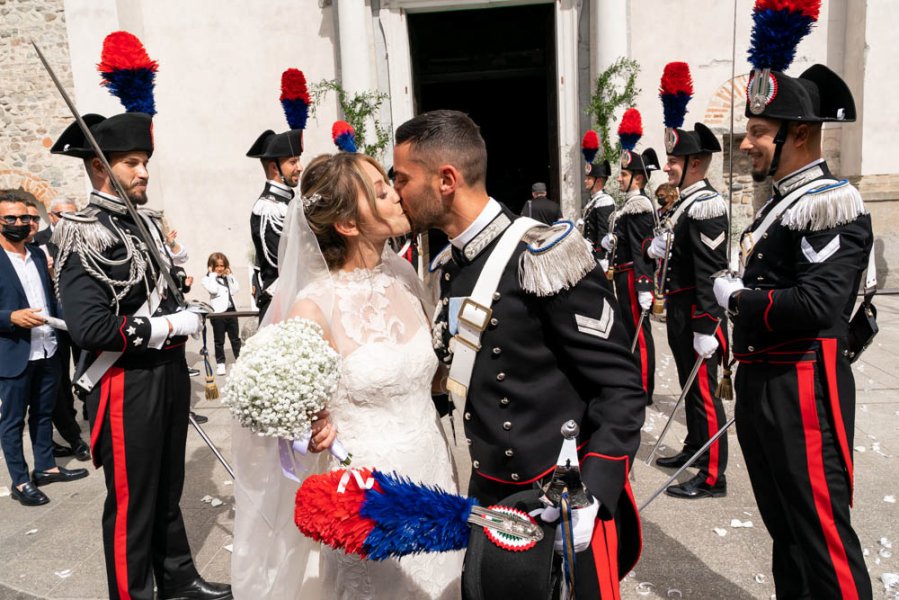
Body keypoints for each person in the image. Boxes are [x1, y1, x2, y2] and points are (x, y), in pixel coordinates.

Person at [393, 109, 646, 598]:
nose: (397, 190)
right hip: (491, 495)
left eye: (403, 178)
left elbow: (619, 385)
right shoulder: (450, 265)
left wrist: (592, 492)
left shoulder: (543, 256)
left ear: (445, 180)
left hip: (560, 494)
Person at [232, 152, 463, 600]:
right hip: (369, 490)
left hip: (434, 468)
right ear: (348, 225)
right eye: (380, 192)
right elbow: (287, 415)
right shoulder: (313, 306)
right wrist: (310, 429)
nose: (397, 195)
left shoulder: (402, 276)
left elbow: (428, 372)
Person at [49, 31, 230, 600]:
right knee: (132, 500)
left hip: (167, 374)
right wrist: (164, 325)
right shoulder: (79, 232)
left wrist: (190, 305)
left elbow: (167, 288)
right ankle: (132, 593)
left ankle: (177, 581)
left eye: (145, 161)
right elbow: (91, 328)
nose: (144, 172)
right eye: (132, 162)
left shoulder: (148, 225)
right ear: (101, 168)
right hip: (124, 381)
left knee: (168, 487)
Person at [713, 64, 873, 598]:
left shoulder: (828, 200)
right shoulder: (783, 203)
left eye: (759, 131)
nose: (747, 142)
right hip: (765, 381)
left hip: (802, 384)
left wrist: (738, 298)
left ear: (797, 134)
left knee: (821, 535)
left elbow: (819, 303)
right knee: (787, 532)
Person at [648, 121, 730, 499]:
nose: (668, 168)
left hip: (698, 313)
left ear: (695, 163)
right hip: (681, 310)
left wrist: (706, 325)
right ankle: (695, 446)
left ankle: (713, 474)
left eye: (674, 161)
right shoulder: (686, 203)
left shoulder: (706, 205)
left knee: (703, 394)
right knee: (689, 387)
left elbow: (710, 273)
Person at [1, 193, 88, 507]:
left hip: (48, 348)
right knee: (12, 421)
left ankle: (47, 467)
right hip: (13, 353)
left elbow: (50, 300)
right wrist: (9, 317)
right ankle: (21, 481)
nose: (19, 223)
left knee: (43, 413)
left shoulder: (38, 255)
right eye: (10, 218)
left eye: (24, 218)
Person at [27, 199, 91, 459]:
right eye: (63, 214)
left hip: (84, 316)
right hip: (54, 321)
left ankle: (92, 410)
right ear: (52, 217)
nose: (68, 219)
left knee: (88, 365)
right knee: (59, 379)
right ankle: (71, 431)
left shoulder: (86, 237)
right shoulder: (37, 242)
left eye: (73, 214)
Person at [602, 120, 660, 405]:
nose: (620, 179)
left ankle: (644, 388)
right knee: (628, 332)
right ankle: (635, 381)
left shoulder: (639, 206)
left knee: (640, 334)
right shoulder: (627, 207)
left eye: (624, 174)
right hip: (623, 276)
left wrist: (644, 284)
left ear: (638, 178)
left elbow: (641, 248)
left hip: (633, 276)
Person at [247, 68, 310, 321]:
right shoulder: (269, 208)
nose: (300, 167)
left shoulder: (289, 201)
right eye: (293, 162)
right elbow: (280, 262)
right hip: (280, 305)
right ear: (275, 168)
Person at [201, 252, 241, 375]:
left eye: (222, 266)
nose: (220, 268)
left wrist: (230, 276)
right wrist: (212, 275)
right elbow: (213, 289)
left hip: (231, 311)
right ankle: (221, 364)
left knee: (235, 338)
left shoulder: (226, 278)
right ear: (211, 266)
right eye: (217, 266)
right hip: (218, 314)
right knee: (219, 340)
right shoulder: (207, 279)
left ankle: (240, 361)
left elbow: (235, 290)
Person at [582, 160, 615, 268]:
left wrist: (602, 257)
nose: (585, 181)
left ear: (599, 181)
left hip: (598, 257)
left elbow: (603, 232)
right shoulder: (594, 200)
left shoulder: (604, 201)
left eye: (589, 178)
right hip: (589, 255)